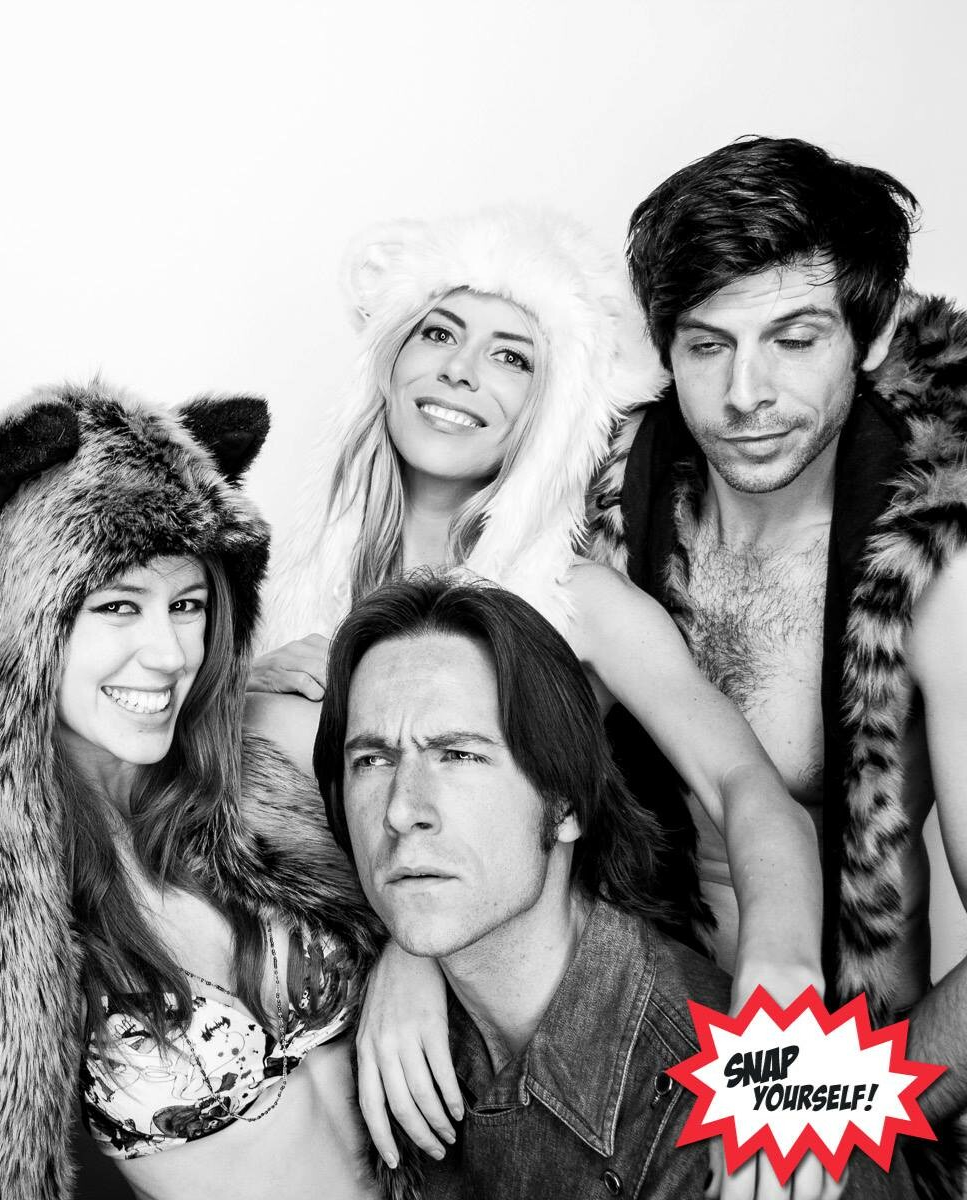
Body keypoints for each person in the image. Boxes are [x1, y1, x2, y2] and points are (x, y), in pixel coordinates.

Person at [252, 208, 824, 1179]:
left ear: (554, 403)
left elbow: (747, 789)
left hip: (521, 1062)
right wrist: (239, 699)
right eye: (438, 332)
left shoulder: (576, 599)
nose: (461, 371)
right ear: (388, 359)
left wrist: (785, 978)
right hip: (295, 1058)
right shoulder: (282, 591)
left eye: (511, 355)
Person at [0, 382, 382, 1200]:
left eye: (186, 604)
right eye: (118, 606)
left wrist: (415, 966)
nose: (170, 653)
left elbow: (464, 865)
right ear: (19, 635)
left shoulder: (274, 757)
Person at [588, 135, 967, 1193]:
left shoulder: (935, 566)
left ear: (871, 336)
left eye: (793, 340)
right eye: (707, 346)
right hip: (617, 1057)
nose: (744, 393)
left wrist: (835, 1118)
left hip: (846, 1085)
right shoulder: (599, 506)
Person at [315, 574, 728, 1198]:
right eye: (372, 760)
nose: (400, 810)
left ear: (566, 803)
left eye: (458, 755)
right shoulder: (348, 1023)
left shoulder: (746, 1096)